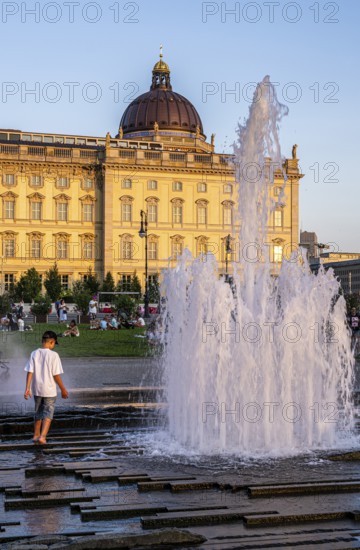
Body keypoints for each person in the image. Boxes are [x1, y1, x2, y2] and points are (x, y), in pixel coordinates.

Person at [24, 330, 68, 444]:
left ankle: (35, 435)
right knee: (48, 413)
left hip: (36, 389)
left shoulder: (34, 353)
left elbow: (30, 372)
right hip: (49, 391)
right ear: (52, 342)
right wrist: (63, 389)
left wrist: (27, 388)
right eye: (54, 344)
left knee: (38, 412)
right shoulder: (54, 355)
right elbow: (56, 375)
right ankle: (43, 437)